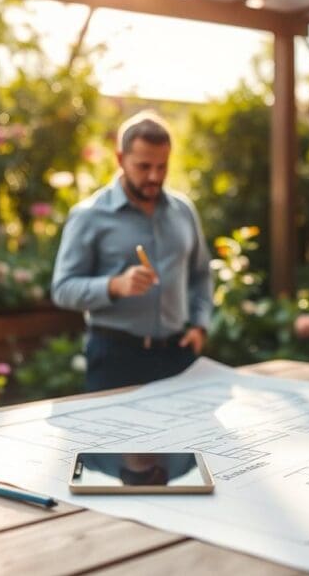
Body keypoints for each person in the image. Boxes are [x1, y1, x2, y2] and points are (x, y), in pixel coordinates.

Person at [51, 110, 213, 391]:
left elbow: (201, 274)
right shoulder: (88, 216)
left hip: (178, 355)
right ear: (120, 159)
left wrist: (200, 325)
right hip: (116, 359)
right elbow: (63, 289)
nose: (154, 176)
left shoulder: (184, 210)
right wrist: (115, 286)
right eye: (144, 166)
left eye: (162, 167)